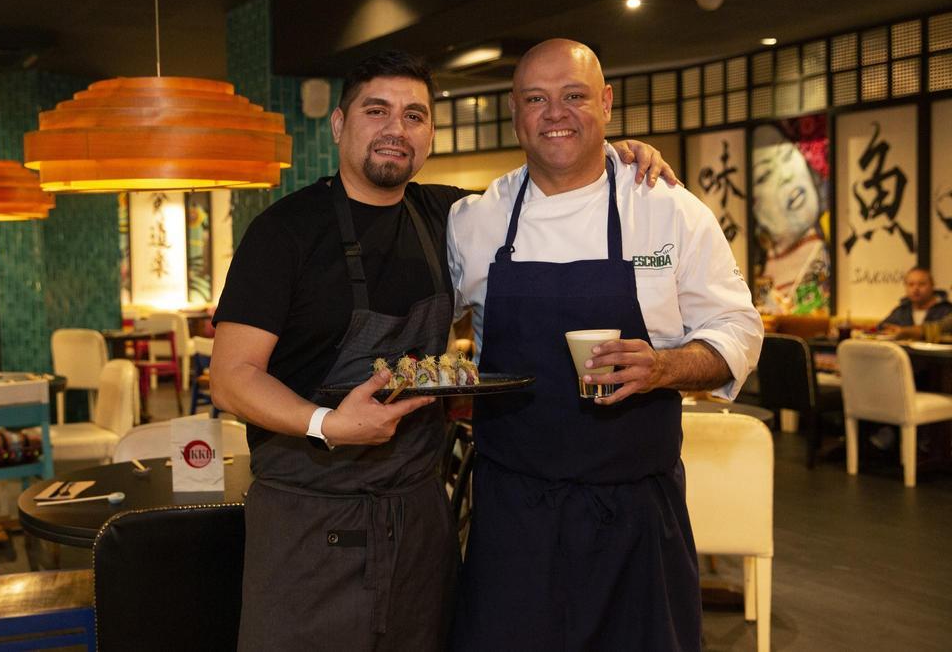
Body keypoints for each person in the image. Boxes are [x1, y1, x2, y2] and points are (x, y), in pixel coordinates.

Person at [209, 49, 674, 652]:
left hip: (418, 518)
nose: (395, 129)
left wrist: (615, 154)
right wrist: (328, 423)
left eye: (414, 115)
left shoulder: (449, 217)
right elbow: (231, 377)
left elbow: (554, 185)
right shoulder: (284, 232)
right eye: (377, 110)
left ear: (430, 133)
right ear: (340, 123)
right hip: (309, 519)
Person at [446, 39, 763, 650]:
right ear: (514, 111)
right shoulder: (475, 220)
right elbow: (427, 328)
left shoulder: (669, 209)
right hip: (513, 512)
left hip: (636, 512)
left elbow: (739, 329)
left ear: (608, 103)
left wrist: (666, 365)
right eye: (536, 99)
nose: (555, 113)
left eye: (574, 96)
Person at [751, 122, 831, 314]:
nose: (786, 175)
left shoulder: (830, 254)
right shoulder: (755, 273)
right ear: (754, 205)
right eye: (765, 175)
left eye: (787, 156)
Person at [880, 267, 952, 337]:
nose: (915, 289)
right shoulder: (902, 310)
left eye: (921, 284)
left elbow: (940, 328)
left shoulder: (947, 309)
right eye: (911, 284)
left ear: (932, 285)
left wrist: (905, 332)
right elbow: (882, 328)